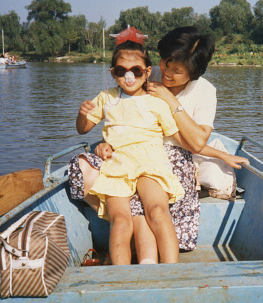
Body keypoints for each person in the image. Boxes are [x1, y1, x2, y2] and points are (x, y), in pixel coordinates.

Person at [69, 26, 248, 264]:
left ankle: (151, 261)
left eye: (176, 70)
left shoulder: (202, 91)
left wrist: (170, 99)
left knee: (152, 210)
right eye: (165, 63)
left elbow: (192, 142)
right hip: (123, 158)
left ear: (193, 73)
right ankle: (131, 256)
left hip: (164, 159)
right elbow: (121, 117)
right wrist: (105, 143)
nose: (166, 73)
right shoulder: (140, 75)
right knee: (82, 170)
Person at [75, 29, 191, 265]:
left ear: (147, 72)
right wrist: (81, 114)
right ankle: (121, 278)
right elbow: (83, 129)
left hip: (150, 163)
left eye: (136, 70)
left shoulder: (157, 101)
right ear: (113, 73)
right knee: (120, 220)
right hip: (118, 164)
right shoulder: (106, 98)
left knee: (157, 211)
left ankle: (172, 271)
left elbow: (179, 137)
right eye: (121, 71)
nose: (129, 76)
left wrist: (215, 152)